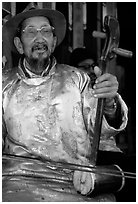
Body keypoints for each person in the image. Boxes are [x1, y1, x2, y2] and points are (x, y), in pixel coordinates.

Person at [2, 6, 128, 202]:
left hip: (77, 182)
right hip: (20, 182)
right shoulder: (4, 84)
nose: (39, 38)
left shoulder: (76, 78)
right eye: (31, 32)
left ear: (53, 42)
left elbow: (101, 134)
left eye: (46, 31)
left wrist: (110, 104)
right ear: (19, 44)